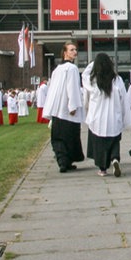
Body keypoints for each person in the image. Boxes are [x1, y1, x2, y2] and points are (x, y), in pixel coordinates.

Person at [83, 53, 131, 177]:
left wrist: (95, 63)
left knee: (100, 144)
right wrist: (125, 117)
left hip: (98, 119)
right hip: (114, 117)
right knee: (114, 141)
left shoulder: (92, 82)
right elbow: (123, 99)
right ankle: (115, 158)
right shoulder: (117, 80)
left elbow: (84, 75)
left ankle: (103, 168)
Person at [43, 41, 85, 173]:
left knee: (59, 136)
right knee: (70, 137)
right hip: (67, 109)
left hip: (58, 109)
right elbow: (72, 87)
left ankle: (63, 161)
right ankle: (65, 161)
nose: (75, 52)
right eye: (72, 50)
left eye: (75, 50)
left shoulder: (57, 69)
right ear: (65, 52)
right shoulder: (71, 69)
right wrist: (72, 105)